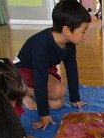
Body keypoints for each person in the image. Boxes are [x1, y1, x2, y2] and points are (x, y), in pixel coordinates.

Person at [14, 0, 91, 130]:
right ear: (66, 30)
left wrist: (74, 98)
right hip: (25, 70)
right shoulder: (41, 45)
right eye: (83, 31)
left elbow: (71, 68)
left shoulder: (69, 42)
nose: (85, 35)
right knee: (59, 91)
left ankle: (30, 94)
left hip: (44, 68)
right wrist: (44, 115)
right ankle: (22, 93)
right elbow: (40, 79)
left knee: (58, 104)